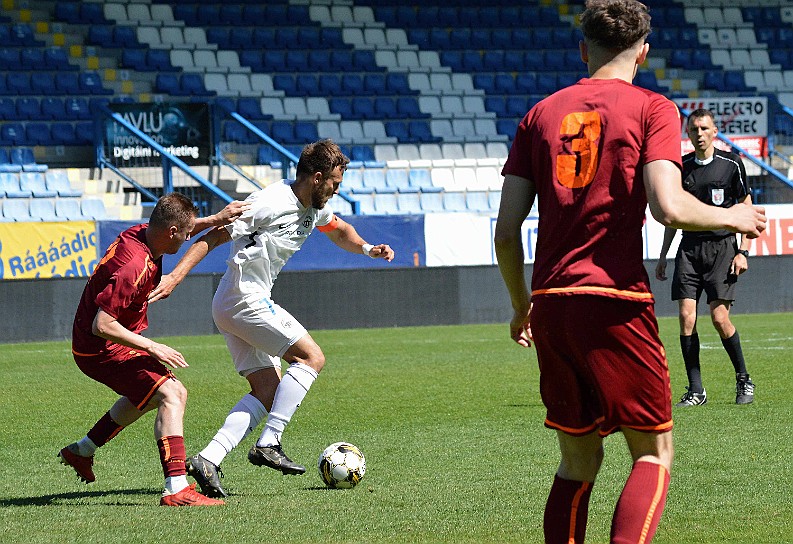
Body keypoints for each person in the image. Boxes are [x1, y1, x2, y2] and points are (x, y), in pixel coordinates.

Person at [493, 1, 766, 542]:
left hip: (552, 301)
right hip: (614, 299)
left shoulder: (539, 114)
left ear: (582, 49)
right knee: (654, 452)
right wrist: (734, 215)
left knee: (577, 459)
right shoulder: (652, 108)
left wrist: (521, 303)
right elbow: (669, 206)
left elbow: (504, 232)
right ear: (643, 52)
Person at [148, 139, 395, 498]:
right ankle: (270, 441)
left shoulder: (313, 205)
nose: (337, 191)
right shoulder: (271, 203)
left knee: (268, 390)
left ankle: (208, 459)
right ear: (318, 177)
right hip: (243, 298)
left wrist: (367, 248)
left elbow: (338, 228)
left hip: (235, 301)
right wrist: (174, 276)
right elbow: (214, 237)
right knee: (311, 358)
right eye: (335, 184)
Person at [58, 193, 247, 507]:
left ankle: (82, 450)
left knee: (146, 396)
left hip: (98, 344)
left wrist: (214, 220)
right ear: (172, 232)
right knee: (173, 393)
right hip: (101, 348)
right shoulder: (135, 265)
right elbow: (102, 324)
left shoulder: (143, 234)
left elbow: (177, 226)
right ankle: (175, 488)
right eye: (186, 234)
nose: (189, 237)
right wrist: (152, 346)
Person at [655, 108, 755, 407]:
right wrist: (662, 256)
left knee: (719, 318)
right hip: (688, 249)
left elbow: (745, 204)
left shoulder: (731, 163)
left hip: (722, 247)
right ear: (687, 133)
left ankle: (743, 379)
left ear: (714, 131)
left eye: (704, 128)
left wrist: (743, 251)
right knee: (686, 318)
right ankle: (696, 390)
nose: (699, 134)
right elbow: (673, 215)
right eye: (694, 129)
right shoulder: (681, 168)